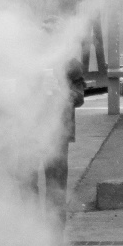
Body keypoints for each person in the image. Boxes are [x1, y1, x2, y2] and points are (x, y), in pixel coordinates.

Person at [44, 58, 85, 231]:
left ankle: (56, 237)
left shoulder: (67, 58)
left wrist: (63, 94)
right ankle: (29, 229)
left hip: (58, 132)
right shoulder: (18, 56)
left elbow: (79, 95)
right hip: (27, 133)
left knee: (56, 187)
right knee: (25, 183)